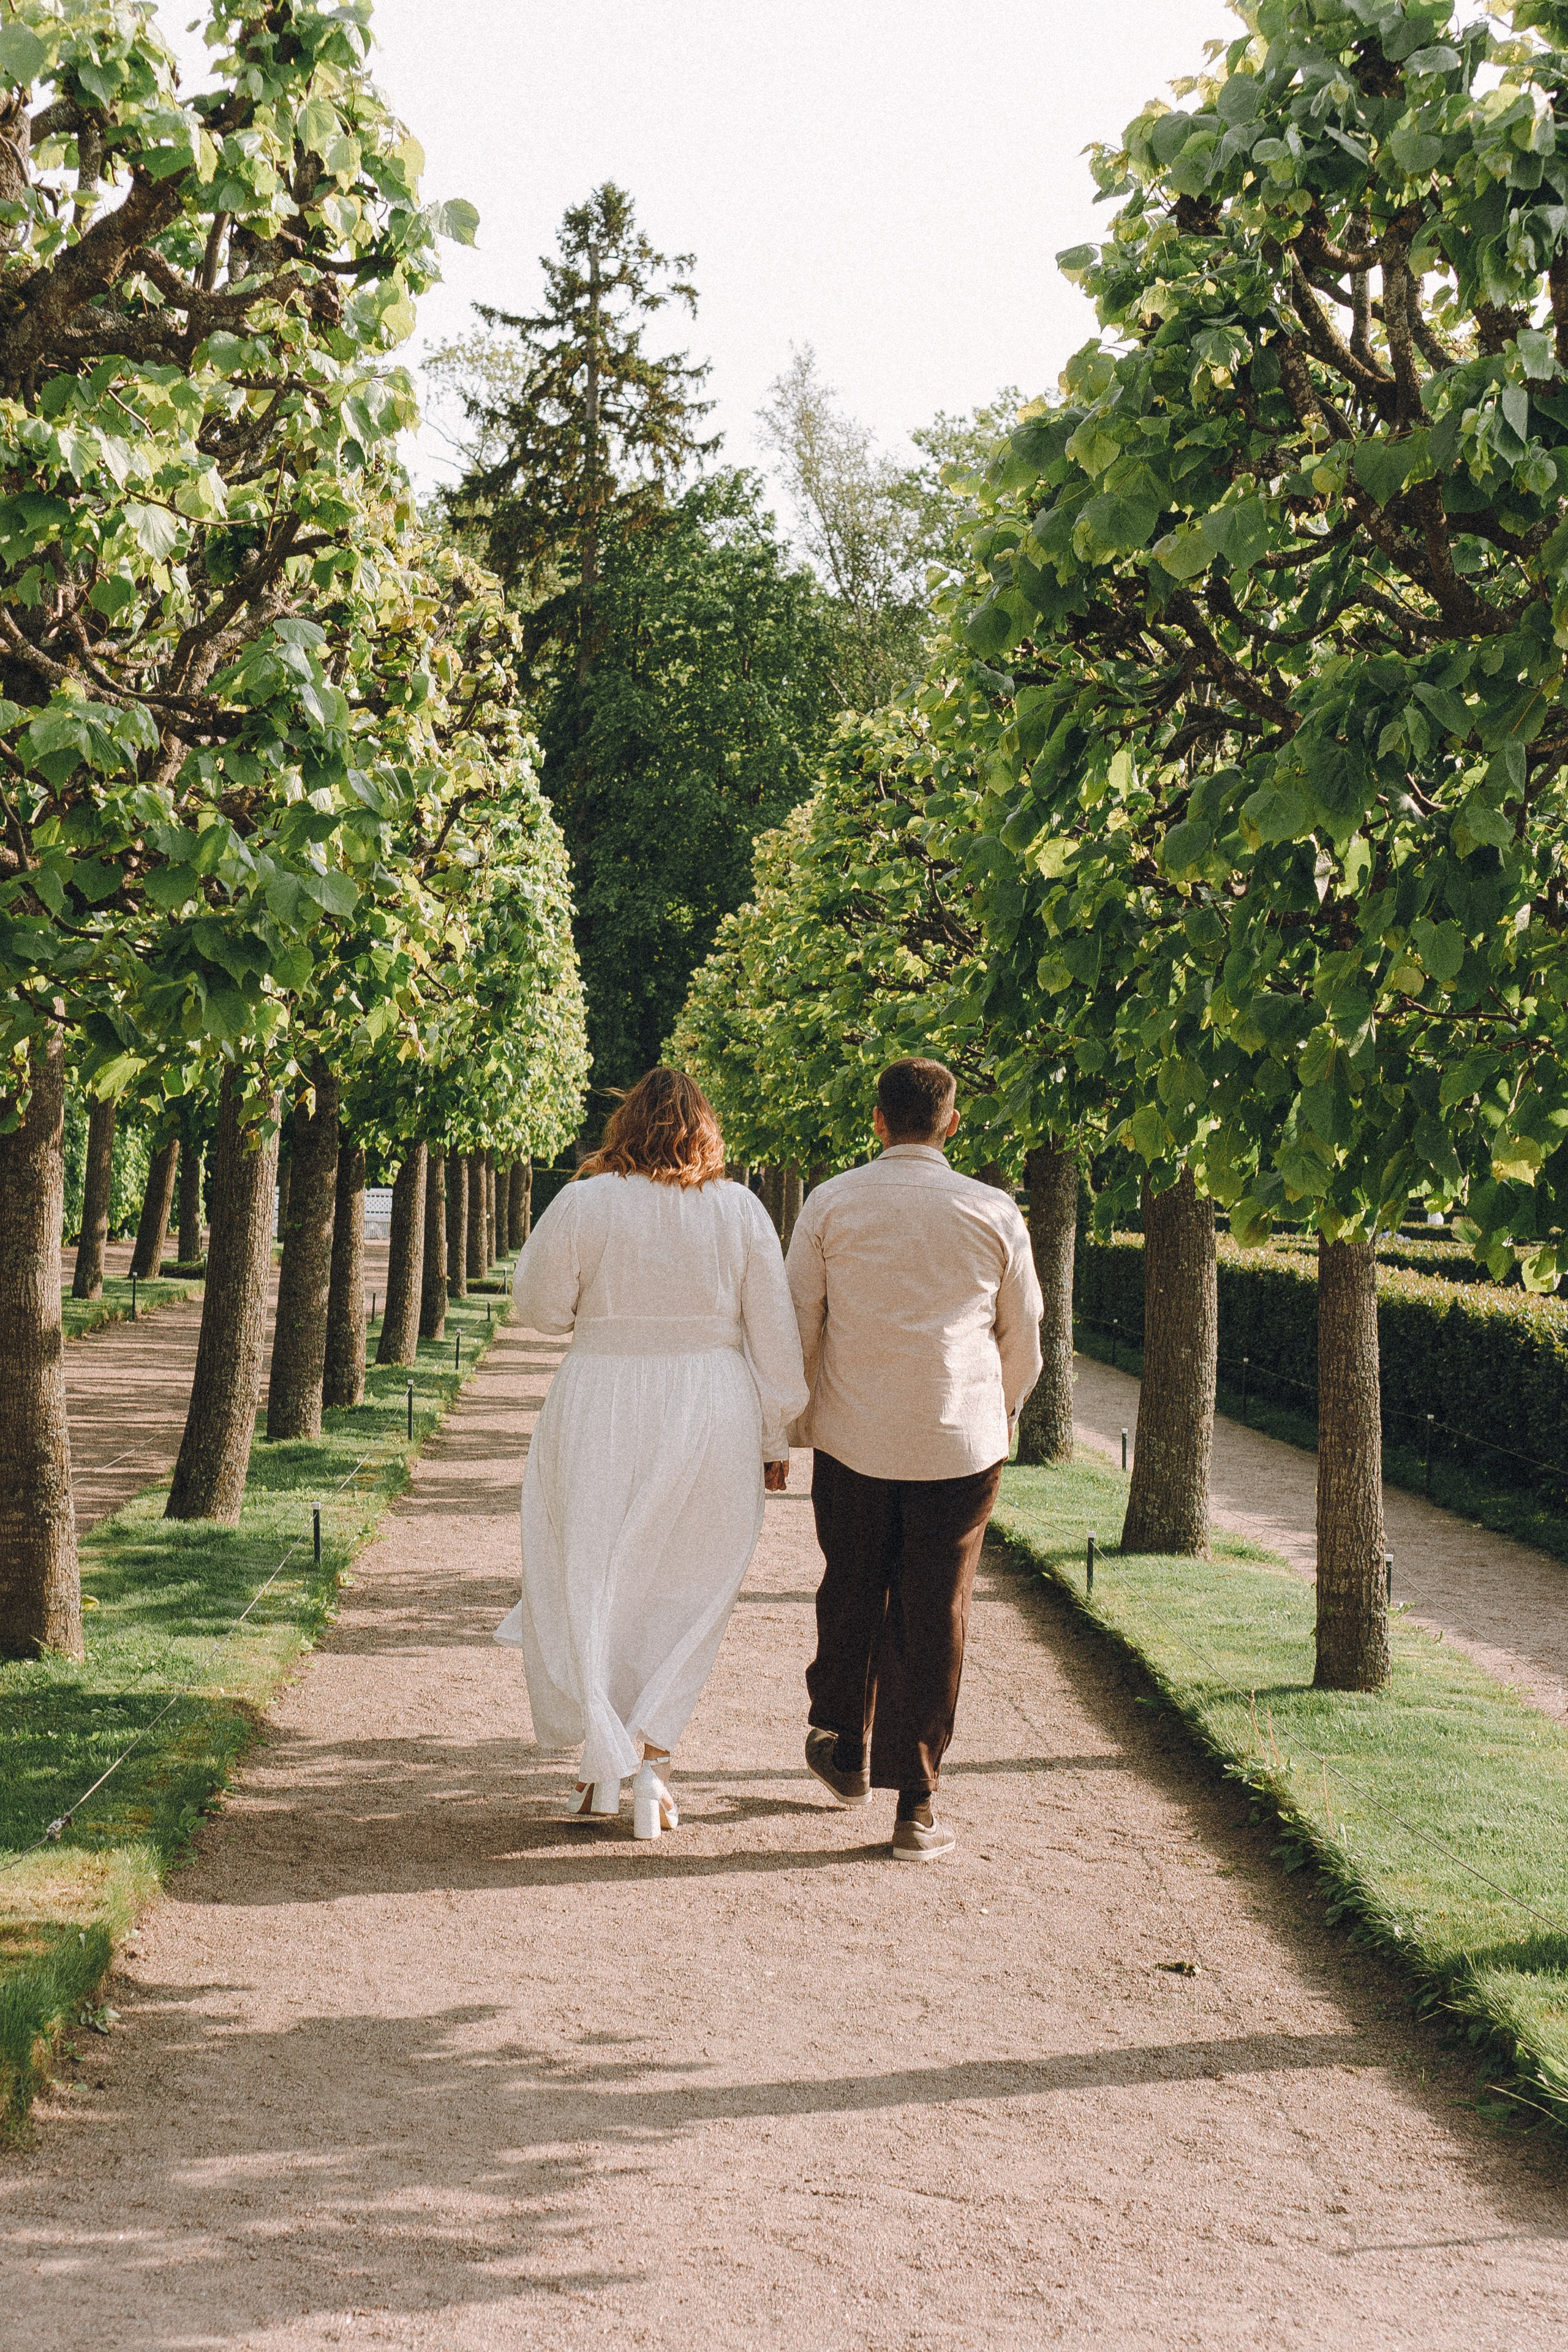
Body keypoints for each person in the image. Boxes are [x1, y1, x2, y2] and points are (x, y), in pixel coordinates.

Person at [496, 1069, 807, 1839]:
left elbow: (537, 1307)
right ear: (707, 1132)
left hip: (602, 1397)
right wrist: (774, 1438)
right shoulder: (739, 1211)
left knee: (593, 1575)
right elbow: (775, 1337)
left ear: (623, 1126)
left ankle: (604, 1770)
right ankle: (650, 1768)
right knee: (691, 1590)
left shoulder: (585, 1201)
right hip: (712, 1405)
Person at [785, 1058, 1044, 1861]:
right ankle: (918, 1801)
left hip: (855, 1433)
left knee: (853, 1583)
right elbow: (1024, 1336)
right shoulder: (993, 1209)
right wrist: (994, 1413)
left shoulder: (829, 1202)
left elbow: (801, 1323)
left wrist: (791, 1427)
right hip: (958, 1440)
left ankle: (840, 1737)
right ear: (952, 1124)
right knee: (937, 1613)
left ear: (877, 1121)